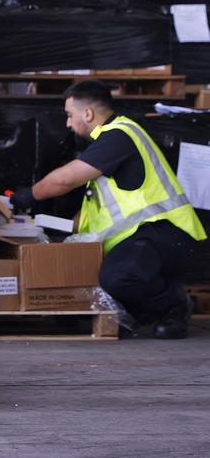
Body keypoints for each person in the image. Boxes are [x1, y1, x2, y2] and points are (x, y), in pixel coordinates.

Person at [10, 80, 206, 339]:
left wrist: (27, 196)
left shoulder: (119, 135)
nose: (68, 124)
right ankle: (140, 312)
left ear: (87, 113)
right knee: (101, 276)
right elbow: (91, 216)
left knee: (118, 277)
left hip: (166, 235)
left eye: (70, 115)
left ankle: (174, 305)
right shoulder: (107, 145)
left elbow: (64, 180)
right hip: (141, 239)